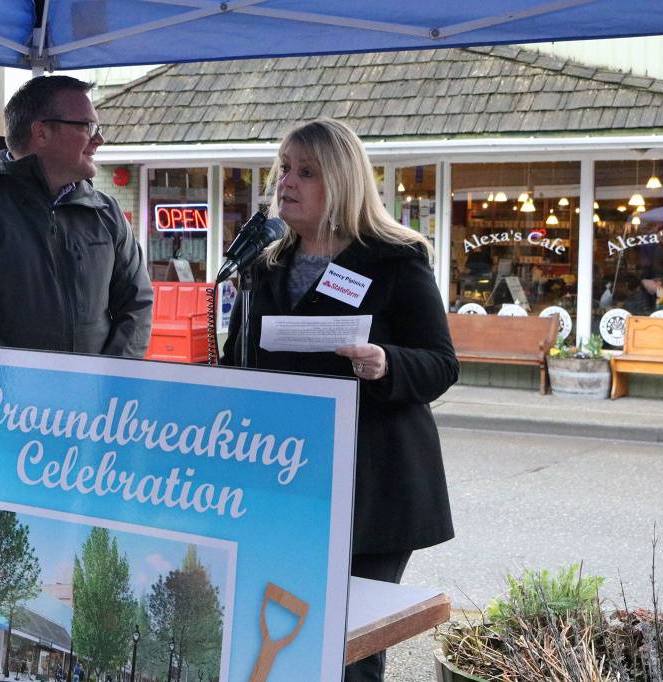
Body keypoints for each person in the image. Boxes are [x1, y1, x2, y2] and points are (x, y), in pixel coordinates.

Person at [221, 118, 458, 682]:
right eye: (283, 168)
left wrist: (386, 363)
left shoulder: (394, 259)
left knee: (350, 649)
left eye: (306, 171)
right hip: (286, 482)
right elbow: (238, 363)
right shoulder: (263, 267)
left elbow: (441, 362)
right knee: (283, 639)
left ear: (344, 182)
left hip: (372, 487)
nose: (286, 181)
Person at [0, 75, 152, 357]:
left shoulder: (107, 214)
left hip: (94, 399)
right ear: (41, 133)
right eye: (88, 127)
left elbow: (136, 305)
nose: (99, 139)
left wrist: (107, 379)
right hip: (3, 399)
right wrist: (32, 389)